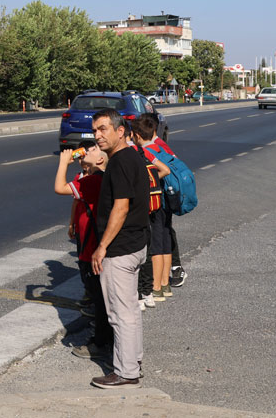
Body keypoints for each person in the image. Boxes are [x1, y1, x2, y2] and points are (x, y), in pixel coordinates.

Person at [89, 108, 150, 389]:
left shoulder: (120, 162)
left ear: (120, 131)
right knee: (130, 311)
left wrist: (102, 247)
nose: (97, 135)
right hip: (136, 243)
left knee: (119, 314)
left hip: (120, 249)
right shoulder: (132, 156)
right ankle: (132, 363)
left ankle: (125, 372)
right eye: (95, 130)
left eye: (103, 129)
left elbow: (121, 207)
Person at [52, 141, 113, 361]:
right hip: (93, 244)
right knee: (102, 298)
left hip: (91, 248)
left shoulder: (93, 181)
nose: (88, 151)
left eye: (94, 150)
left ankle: (101, 342)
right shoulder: (97, 178)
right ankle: (104, 338)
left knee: (99, 299)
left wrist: (63, 162)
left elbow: (59, 188)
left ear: (99, 160)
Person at [141, 112, 188, 288]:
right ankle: (168, 277)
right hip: (169, 195)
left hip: (160, 197)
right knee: (166, 231)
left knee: (161, 235)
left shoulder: (151, 148)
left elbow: (165, 170)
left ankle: (162, 279)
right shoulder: (162, 145)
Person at [132, 116, 173, 302]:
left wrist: (148, 184)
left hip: (156, 202)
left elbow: (163, 170)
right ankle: (165, 285)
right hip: (167, 199)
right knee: (165, 240)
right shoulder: (161, 146)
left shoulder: (145, 151)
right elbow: (168, 168)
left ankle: (155, 287)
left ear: (136, 135)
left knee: (155, 244)